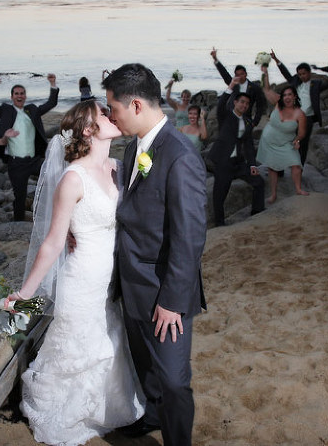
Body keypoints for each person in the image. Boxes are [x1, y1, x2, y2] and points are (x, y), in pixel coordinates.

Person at [3, 100, 144, 445]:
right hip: (80, 280)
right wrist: (24, 296)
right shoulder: (72, 178)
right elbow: (52, 243)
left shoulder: (119, 167)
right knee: (78, 347)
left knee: (107, 339)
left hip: (110, 279)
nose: (113, 117)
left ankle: (105, 408)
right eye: (104, 115)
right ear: (88, 130)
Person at [103, 63, 207, 445]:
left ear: (134, 106)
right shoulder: (134, 148)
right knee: (144, 364)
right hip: (132, 282)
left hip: (164, 291)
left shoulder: (180, 156)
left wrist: (172, 303)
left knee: (175, 380)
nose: (111, 118)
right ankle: (150, 416)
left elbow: (190, 237)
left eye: (112, 109)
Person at [0, 72, 59, 221]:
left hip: (35, 160)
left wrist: (53, 84)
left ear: (25, 96)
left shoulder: (32, 110)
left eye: (22, 93)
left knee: (55, 179)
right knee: (20, 196)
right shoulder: (6, 110)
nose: (20, 96)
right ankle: (18, 223)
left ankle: (54, 214)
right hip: (16, 163)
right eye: (16, 93)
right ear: (12, 97)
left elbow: (51, 104)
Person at [208, 76, 266, 227]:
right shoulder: (225, 115)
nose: (244, 105)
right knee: (219, 194)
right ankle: (219, 223)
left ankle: (257, 212)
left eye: (247, 103)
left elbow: (248, 144)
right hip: (222, 161)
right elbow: (221, 104)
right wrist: (231, 85)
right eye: (242, 102)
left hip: (238, 162)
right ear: (235, 102)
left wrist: (253, 165)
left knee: (259, 182)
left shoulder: (247, 122)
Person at [270, 49, 328, 167]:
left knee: (303, 144)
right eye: (300, 74)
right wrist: (276, 60)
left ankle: (299, 166)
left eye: (304, 73)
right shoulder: (295, 82)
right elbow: (286, 74)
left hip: (307, 119)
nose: (302, 76)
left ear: (309, 73)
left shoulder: (315, 84)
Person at [252, 67, 309, 203]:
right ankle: (273, 194)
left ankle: (298, 189)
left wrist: (297, 140)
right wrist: (265, 73)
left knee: (296, 164)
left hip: (285, 142)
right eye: (285, 95)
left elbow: (301, 132)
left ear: (295, 96)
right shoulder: (278, 103)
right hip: (269, 141)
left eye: (290, 95)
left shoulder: (300, 114)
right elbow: (266, 89)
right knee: (273, 168)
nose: (287, 97)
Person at [210, 46, 265, 126]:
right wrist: (215, 59)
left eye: (242, 74)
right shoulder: (234, 84)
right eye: (237, 75)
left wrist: (255, 122)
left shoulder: (254, 87)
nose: (240, 77)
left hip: (246, 119)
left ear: (246, 74)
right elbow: (224, 73)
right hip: (231, 117)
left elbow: (260, 106)